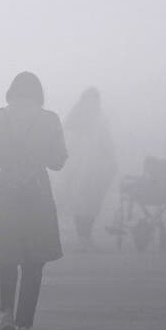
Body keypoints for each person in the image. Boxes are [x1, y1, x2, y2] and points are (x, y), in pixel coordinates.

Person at [0, 72, 67, 330]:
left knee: (6, 258)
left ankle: (5, 314)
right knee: (34, 262)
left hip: (6, 192)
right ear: (38, 93)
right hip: (37, 194)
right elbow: (57, 162)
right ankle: (25, 327)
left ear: (11, 91)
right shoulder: (49, 119)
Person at [59, 88, 116, 250]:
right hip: (79, 167)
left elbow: (107, 142)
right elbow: (67, 141)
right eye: (89, 100)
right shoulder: (75, 119)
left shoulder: (100, 119)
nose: (92, 104)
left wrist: (111, 161)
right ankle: (83, 236)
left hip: (97, 168)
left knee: (92, 203)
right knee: (81, 202)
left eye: (94, 100)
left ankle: (85, 235)